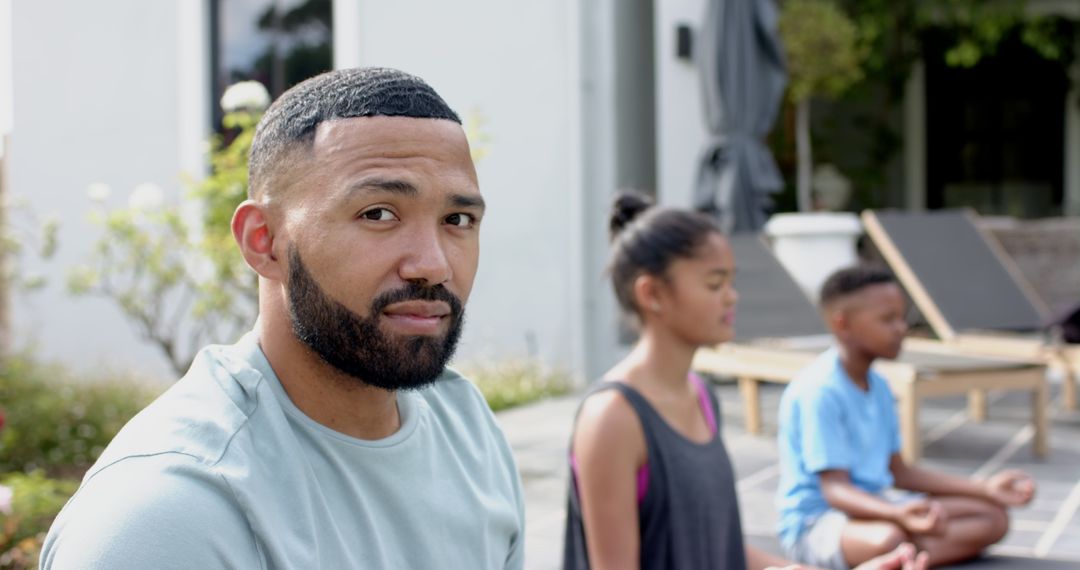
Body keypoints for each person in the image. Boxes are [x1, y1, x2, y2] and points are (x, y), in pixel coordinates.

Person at [42, 67, 525, 569]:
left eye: (458, 220)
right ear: (263, 241)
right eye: (378, 213)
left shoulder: (465, 426)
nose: (433, 264)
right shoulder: (165, 515)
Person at [563, 194, 927, 570]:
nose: (731, 297)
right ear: (652, 293)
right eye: (714, 284)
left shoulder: (699, 396)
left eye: (731, 282)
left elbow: (718, 549)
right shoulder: (611, 419)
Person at [776, 265, 1036, 569]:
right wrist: (897, 514)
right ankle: (903, 554)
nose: (901, 328)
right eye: (887, 319)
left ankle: (903, 557)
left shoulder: (880, 387)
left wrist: (985, 487)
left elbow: (899, 472)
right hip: (819, 522)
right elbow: (835, 489)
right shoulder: (820, 390)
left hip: (880, 506)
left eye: (901, 318)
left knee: (992, 516)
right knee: (889, 538)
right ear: (842, 324)